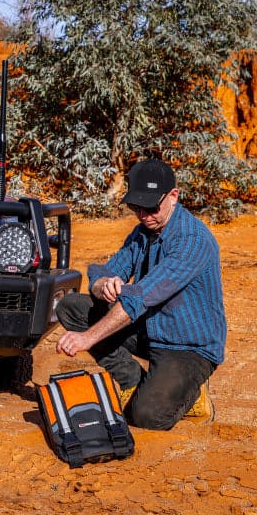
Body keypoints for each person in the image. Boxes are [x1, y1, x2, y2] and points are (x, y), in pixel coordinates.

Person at [55, 159, 225, 430]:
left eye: (151, 207)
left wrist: (87, 339)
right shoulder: (142, 232)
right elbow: (104, 272)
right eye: (137, 207)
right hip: (150, 329)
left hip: (187, 348)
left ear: (173, 196)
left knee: (147, 416)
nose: (144, 215)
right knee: (71, 307)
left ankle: (193, 396)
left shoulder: (192, 240)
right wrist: (103, 285)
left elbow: (140, 298)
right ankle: (132, 381)